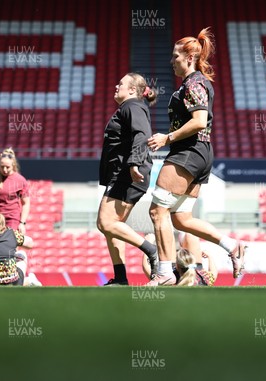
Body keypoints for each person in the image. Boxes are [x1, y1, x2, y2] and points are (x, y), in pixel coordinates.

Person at [146, 27, 246, 285]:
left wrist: (166, 138)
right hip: (199, 154)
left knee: (158, 211)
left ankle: (165, 273)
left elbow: (200, 121)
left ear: (189, 58)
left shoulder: (194, 83)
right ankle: (232, 245)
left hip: (189, 153)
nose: (172, 62)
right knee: (181, 218)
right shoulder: (194, 84)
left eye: (175, 57)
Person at [96, 73, 160, 285]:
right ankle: (121, 278)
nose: (116, 85)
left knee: (105, 222)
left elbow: (141, 134)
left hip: (130, 172)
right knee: (111, 225)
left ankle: (151, 250)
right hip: (125, 172)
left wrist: (133, 163)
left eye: (121, 83)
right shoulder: (130, 106)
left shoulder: (132, 106)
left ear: (133, 90)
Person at [0, 147, 30, 234]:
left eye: (8, 167)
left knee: (8, 243)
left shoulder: (20, 180)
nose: (5, 170)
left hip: (12, 219)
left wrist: (22, 223)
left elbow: (25, 203)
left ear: (13, 165)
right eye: (2, 167)